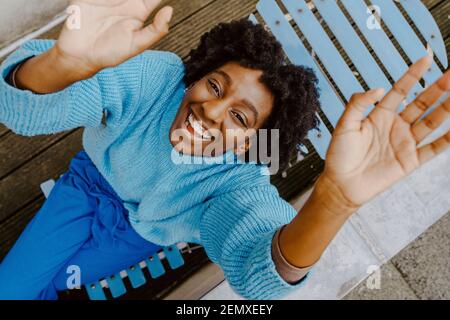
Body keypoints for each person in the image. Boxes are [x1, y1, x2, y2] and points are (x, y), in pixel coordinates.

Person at [0, 0, 448, 300]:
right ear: (194, 75)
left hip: (144, 235)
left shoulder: (239, 180)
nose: (213, 112)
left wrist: (333, 200)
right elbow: (31, 111)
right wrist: (67, 65)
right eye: (215, 84)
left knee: (53, 286)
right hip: (87, 184)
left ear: (253, 143)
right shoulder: (157, 78)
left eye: (240, 118)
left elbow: (260, 274)